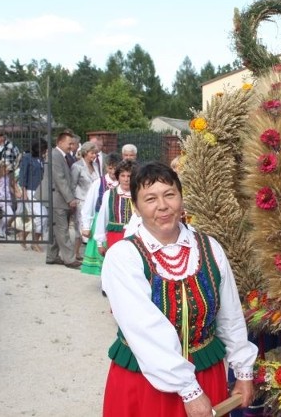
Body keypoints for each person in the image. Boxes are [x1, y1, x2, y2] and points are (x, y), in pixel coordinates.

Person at [101, 161, 257, 416]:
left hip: (206, 374)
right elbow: (144, 329)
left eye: (170, 194)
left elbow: (230, 315)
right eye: (150, 198)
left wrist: (243, 372)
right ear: (136, 207)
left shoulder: (208, 247)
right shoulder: (124, 256)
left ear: (181, 199)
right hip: (147, 381)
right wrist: (189, 390)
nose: (162, 206)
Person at [41, 131, 81, 269]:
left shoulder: (62, 156)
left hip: (58, 198)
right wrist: (70, 199)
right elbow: (60, 180)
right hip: (57, 198)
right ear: (60, 142)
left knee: (55, 228)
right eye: (69, 143)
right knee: (62, 229)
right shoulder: (55, 156)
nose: (71, 146)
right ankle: (70, 259)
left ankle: (51, 256)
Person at [80, 153, 121, 276]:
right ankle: (104, 279)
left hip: (117, 222)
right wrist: (86, 226)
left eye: (116, 168)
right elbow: (88, 205)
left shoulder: (123, 183)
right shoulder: (99, 183)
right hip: (100, 221)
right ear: (106, 168)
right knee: (101, 250)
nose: (113, 171)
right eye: (110, 168)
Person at [94, 160, 137, 256]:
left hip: (135, 237)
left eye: (129, 176)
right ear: (118, 177)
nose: (126, 179)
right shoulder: (110, 194)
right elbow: (102, 217)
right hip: (115, 236)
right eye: (123, 176)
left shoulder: (138, 194)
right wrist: (100, 243)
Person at [71, 141, 99, 261]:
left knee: (92, 227)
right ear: (85, 153)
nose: (94, 156)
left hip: (94, 201)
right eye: (92, 153)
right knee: (80, 227)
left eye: (95, 153)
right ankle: (75, 253)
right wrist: (72, 200)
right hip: (81, 201)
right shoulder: (77, 166)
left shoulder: (96, 166)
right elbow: (72, 184)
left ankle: (88, 253)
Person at [19, 138, 48, 252]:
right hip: (30, 190)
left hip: (41, 190)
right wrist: (24, 191)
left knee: (39, 217)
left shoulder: (40, 158)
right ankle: (34, 241)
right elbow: (23, 174)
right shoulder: (27, 157)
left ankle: (24, 234)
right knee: (42, 216)